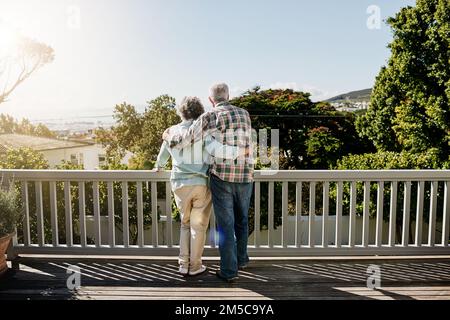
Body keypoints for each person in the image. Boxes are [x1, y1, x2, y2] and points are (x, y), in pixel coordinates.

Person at [163, 83, 254, 283]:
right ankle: (242, 259)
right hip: (246, 176)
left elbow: (186, 139)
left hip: (221, 177)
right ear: (228, 95)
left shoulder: (209, 117)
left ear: (211, 100)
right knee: (242, 220)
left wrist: (169, 136)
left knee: (225, 225)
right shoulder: (245, 114)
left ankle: (229, 271)